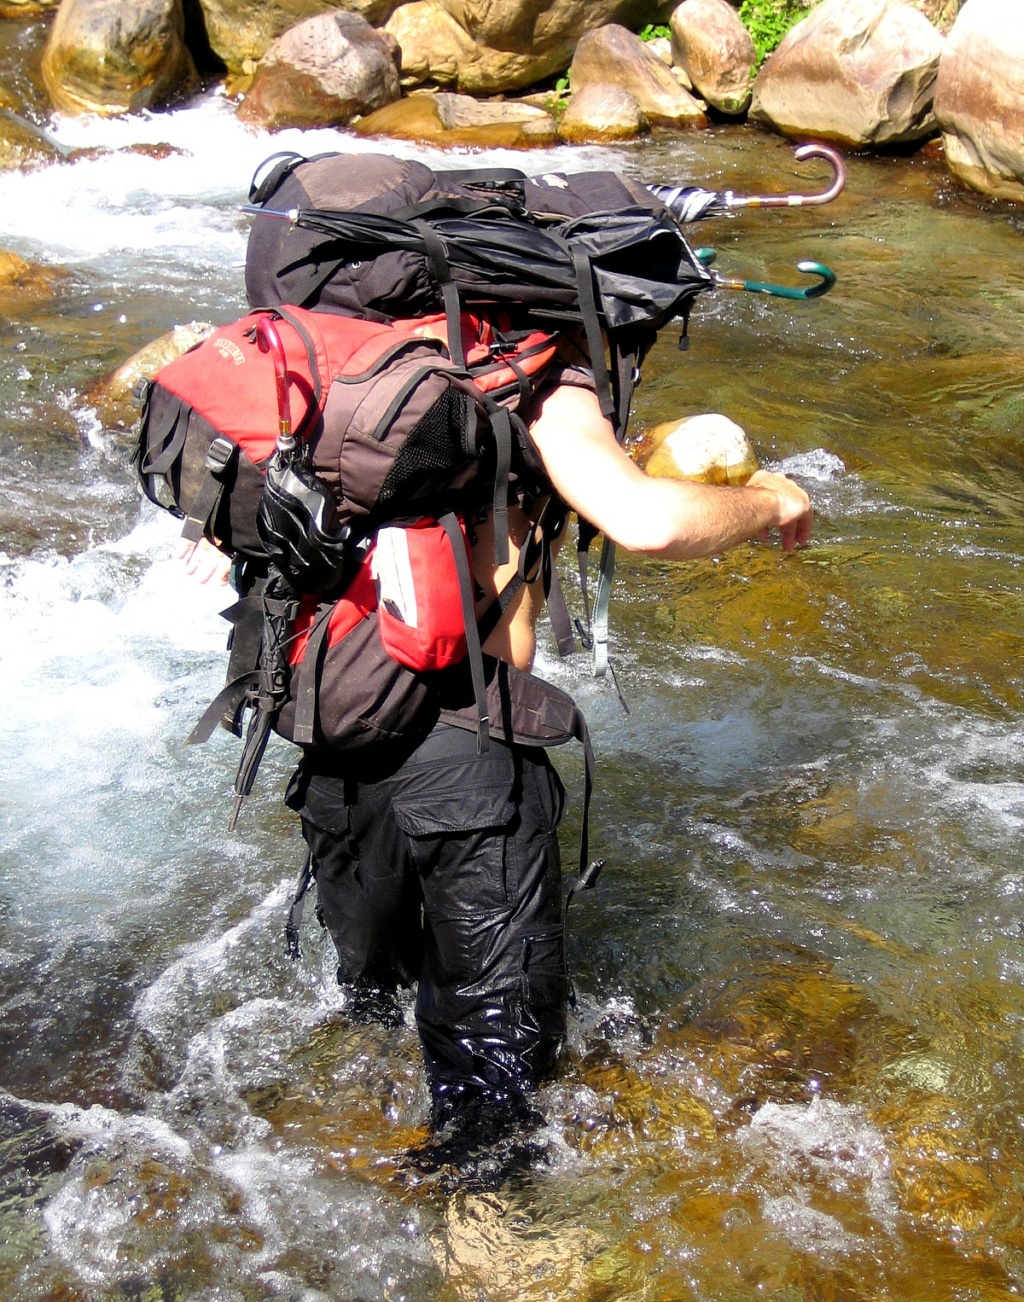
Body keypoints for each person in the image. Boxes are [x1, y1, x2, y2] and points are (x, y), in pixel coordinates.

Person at [181, 371, 812, 1179]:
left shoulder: (335, 366)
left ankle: (328, 1192)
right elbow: (646, 520)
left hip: (336, 736)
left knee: (374, 1004)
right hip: (467, 760)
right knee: (496, 1088)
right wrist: (774, 500)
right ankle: (486, 1264)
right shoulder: (540, 379)